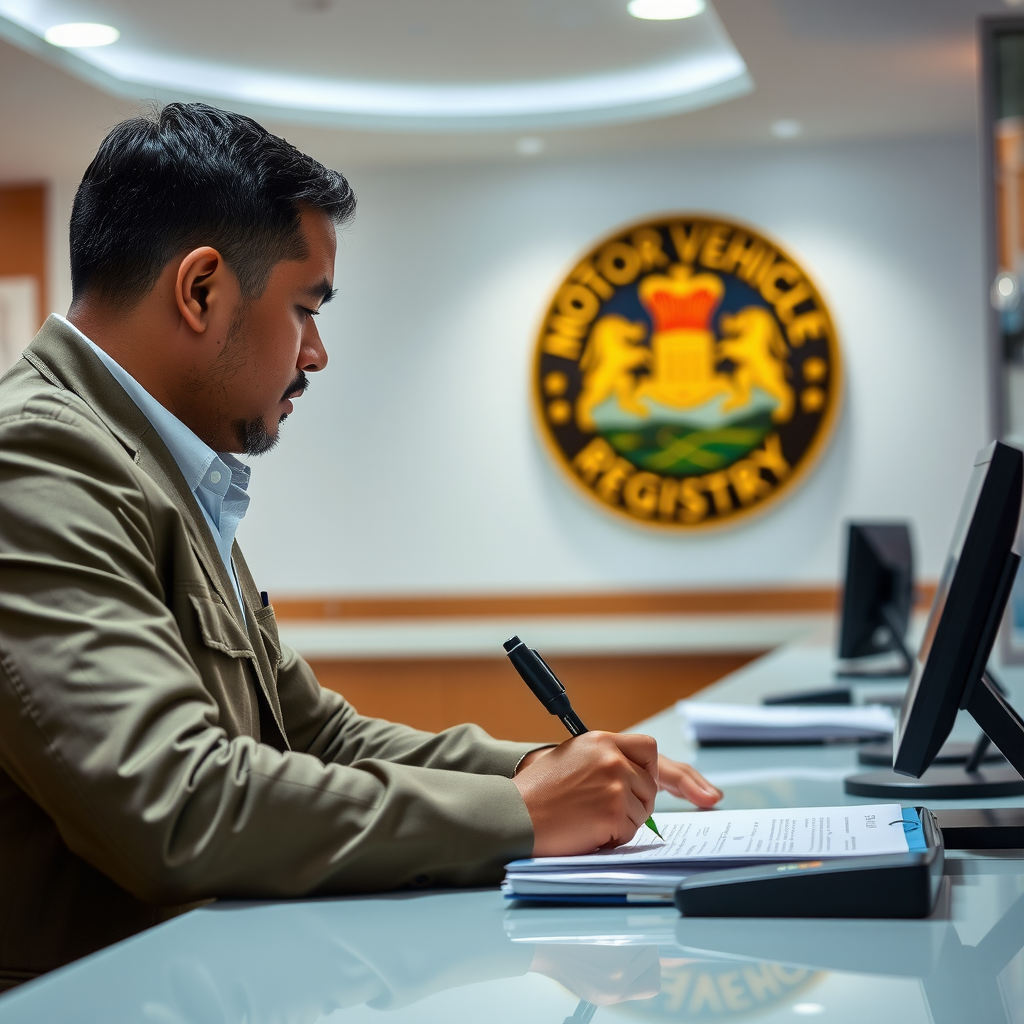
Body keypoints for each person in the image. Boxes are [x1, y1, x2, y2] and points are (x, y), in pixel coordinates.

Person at [0, 102, 722, 989]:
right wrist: (520, 812)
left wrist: (546, 769)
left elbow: (316, 737)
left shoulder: (157, 470)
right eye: (305, 308)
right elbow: (177, 803)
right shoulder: (37, 457)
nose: (317, 354)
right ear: (201, 290)